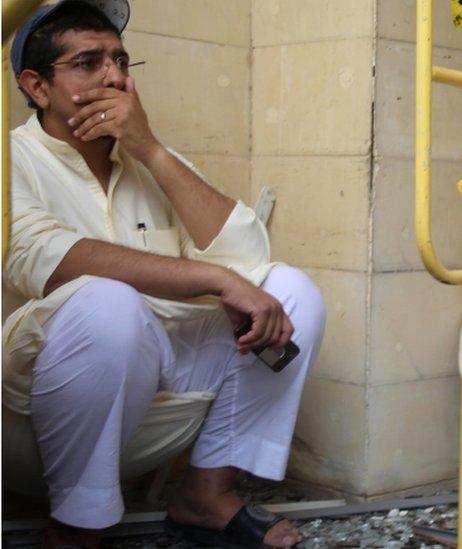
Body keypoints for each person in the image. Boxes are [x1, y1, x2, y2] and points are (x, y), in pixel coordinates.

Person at [3, 1, 326, 547]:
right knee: (108, 304)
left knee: (290, 291)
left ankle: (205, 494)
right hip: (28, 415)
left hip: (152, 394)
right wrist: (216, 281)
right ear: (37, 87)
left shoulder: (147, 157)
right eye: (89, 63)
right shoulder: (12, 160)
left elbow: (247, 250)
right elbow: (43, 256)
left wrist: (150, 149)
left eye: (121, 61)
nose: (115, 77)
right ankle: (76, 528)